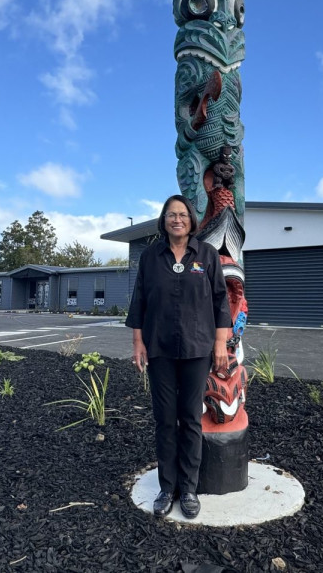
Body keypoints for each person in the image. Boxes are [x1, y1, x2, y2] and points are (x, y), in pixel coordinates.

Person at [126, 194, 232, 520]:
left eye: (182, 214)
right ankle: (166, 487)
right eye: (171, 215)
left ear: (191, 220)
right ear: (164, 220)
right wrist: (138, 343)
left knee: (189, 419)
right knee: (164, 420)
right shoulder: (150, 257)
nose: (177, 219)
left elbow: (220, 303)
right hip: (159, 349)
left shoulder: (208, 255)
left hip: (197, 349)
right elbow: (140, 300)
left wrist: (219, 345)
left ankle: (188, 488)